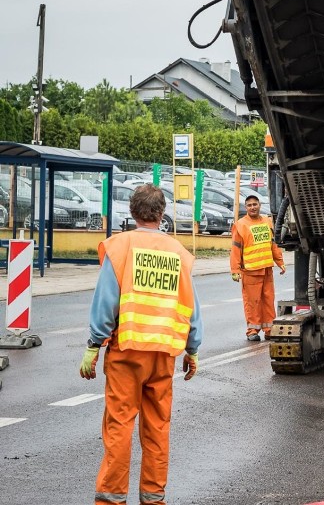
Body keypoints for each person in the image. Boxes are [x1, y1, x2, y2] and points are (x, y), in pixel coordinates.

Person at [79, 183, 202, 505]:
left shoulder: (121, 246)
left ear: (132, 212)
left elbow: (106, 303)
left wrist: (94, 345)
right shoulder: (178, 252)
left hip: (127, 350)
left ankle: (111, 499)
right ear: (162, 214)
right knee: (157, 428)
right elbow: (191, 305)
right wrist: (193, 349)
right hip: (164, 354)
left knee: (120, 426)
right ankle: (153, 498)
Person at [230, 193, 285, 341]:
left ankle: (269, 329)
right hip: (250, 271)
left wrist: (280, 262)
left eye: (255, 204)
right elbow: (236, 249)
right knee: (252, 302)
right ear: (246, 207)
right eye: (249, 205)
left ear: (259, 205)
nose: (252, 207)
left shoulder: (267, 221)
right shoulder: (240, 225)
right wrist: (235, 270)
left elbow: (273, 244)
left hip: (267, 269)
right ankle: (253, 331)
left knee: (268, 301)